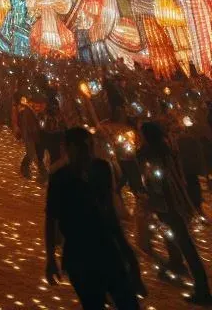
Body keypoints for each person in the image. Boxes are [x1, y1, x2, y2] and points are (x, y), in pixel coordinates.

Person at [45, 127, 145, 310]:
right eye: (81, 147)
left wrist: (128, 256)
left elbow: (110, 215)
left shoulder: (101, 169)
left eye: (90, 146)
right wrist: (50, 258)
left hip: (107, 248)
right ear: (67, 148)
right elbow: (51, 219)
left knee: (128, 303)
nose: (87, 152)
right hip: (79, 255)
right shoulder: (60, 178)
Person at [137, 120, 212, 304]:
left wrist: (152, 202)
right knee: (175, 239)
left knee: (186, 245)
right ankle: (176, 263)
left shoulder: (153, 156)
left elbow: (159, 183)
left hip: (169, 206)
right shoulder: (166, 150)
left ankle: (202, 290)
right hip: (173, 204)